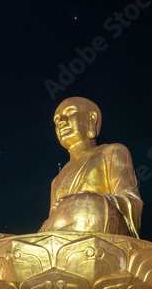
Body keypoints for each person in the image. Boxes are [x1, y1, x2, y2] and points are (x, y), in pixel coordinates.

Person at [39, 96, 143, 237]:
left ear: (91, 119)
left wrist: (87, 199)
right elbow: (54, 220)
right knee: (7, 241)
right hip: (61, 229)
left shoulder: (113, 151)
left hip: (95, 218)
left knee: (87, 205)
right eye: (57, 121)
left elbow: (131, 202)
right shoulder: (56, 180)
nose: (61, 122)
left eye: (69, 113)